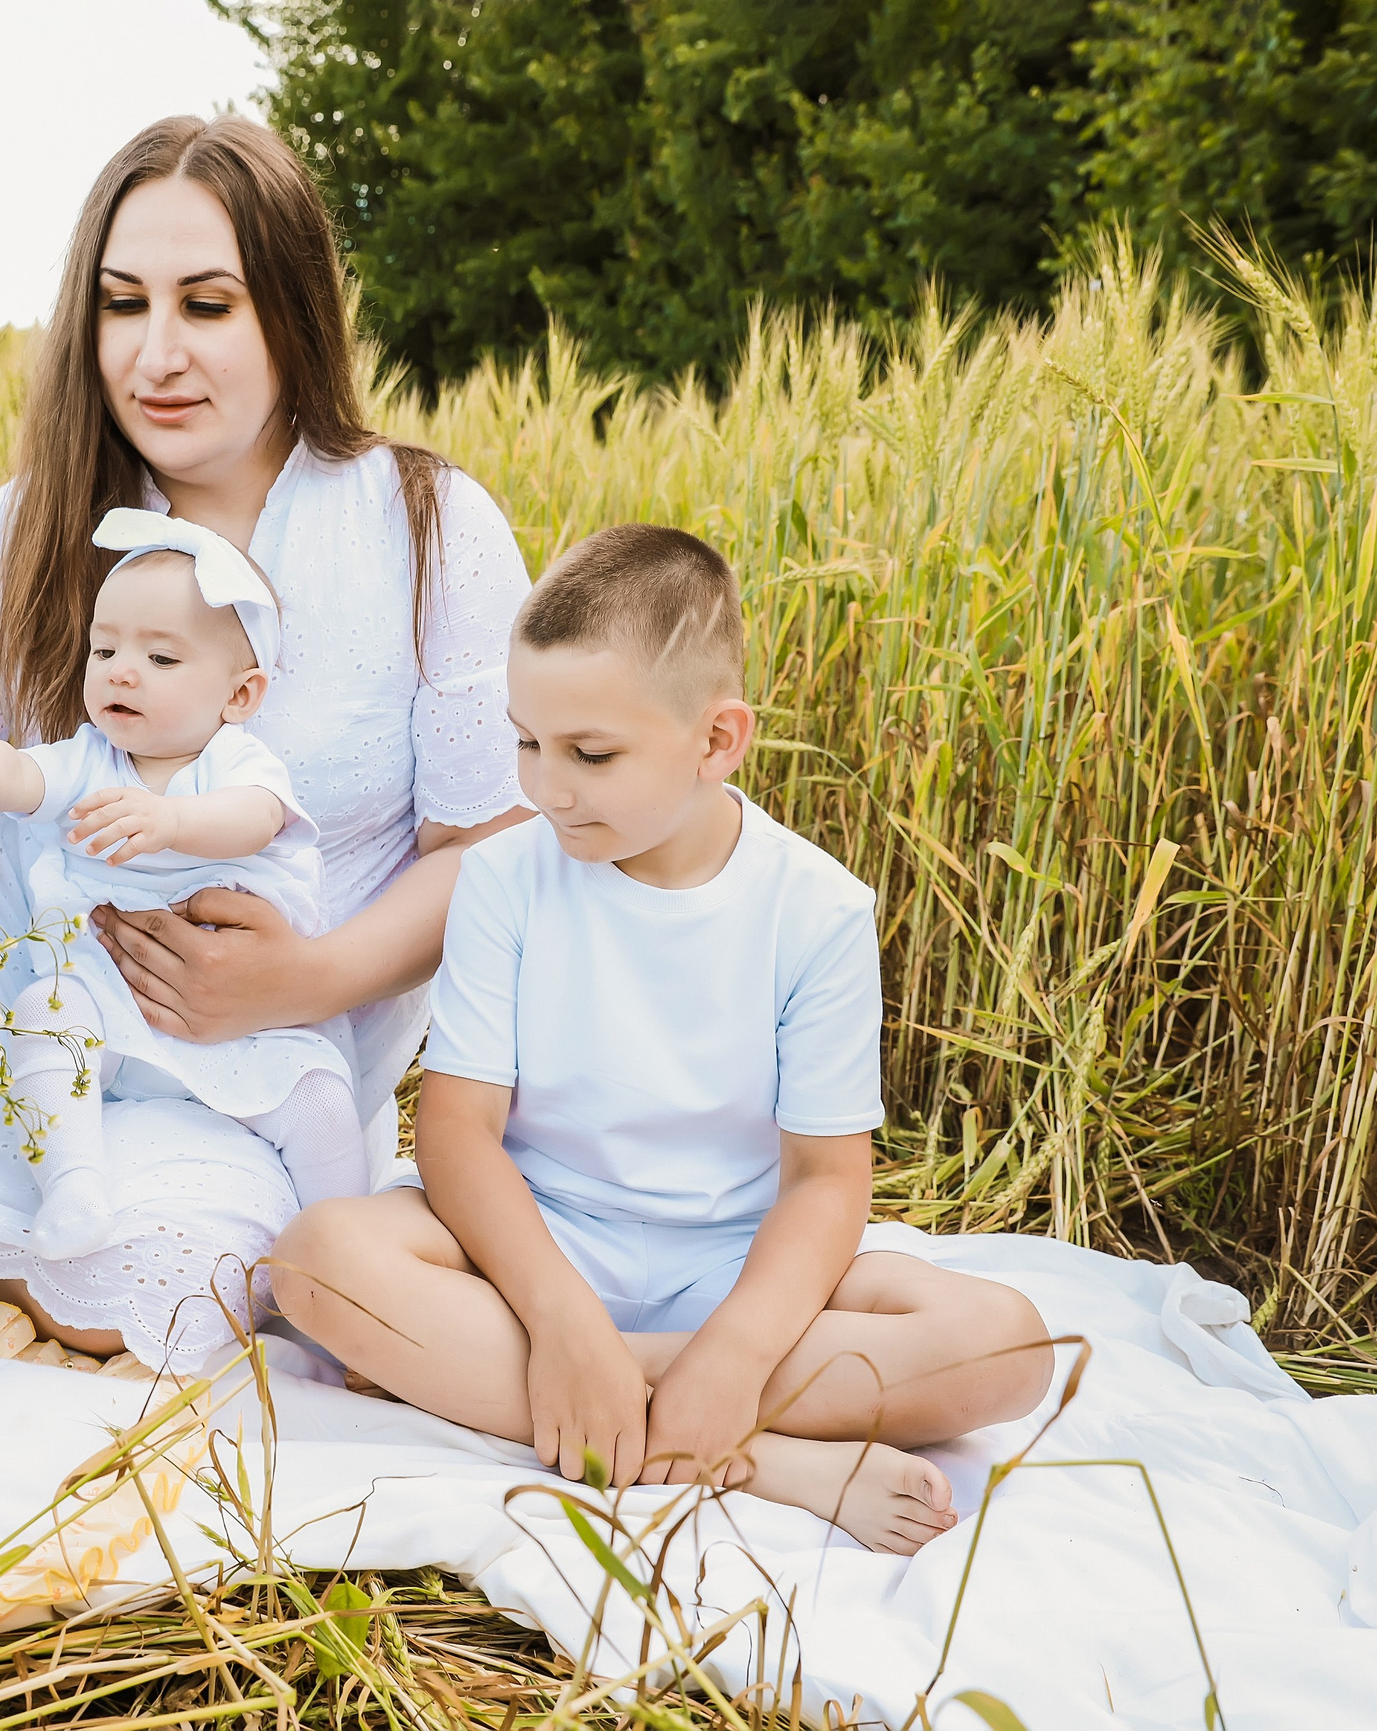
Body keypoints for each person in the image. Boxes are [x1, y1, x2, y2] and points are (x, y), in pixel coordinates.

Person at [0, 113, 534, 1372]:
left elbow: (492, 842)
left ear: (292, 313)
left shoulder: (425, 525)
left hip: (243, 1082)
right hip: (1, 1015)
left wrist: (308, 977)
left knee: (147, 1288)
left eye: (208, 304)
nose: (158, 353)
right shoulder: (28, 524)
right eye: (123, 305)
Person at [268, 526, 1055, 1554]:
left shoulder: (813, 908)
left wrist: (732, 1352)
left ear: (717, 740)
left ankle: (632, 1399)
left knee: (1010, 1349)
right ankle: (759, 1461)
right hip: (531, 1249)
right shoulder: (505, 879)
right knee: (317, 1262)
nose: (545, 787)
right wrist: (559, 1319)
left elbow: (825, 1181)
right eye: (525, 742)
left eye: (589, 754)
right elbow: (457, 1134)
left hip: (734, 1265)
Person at [0, 511, 368, 1261]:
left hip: (242, 1027)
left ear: (239, 696)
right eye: (105, 648)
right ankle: (74, 1184)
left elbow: (255, 820)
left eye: (161, 658)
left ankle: (347, 1247)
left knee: (320, 1099)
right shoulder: (90, 757)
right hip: (108, 1010)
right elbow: (24, 775)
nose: (120, 669)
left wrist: (172, 821)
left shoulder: (236, 764)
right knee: (45, 1012)